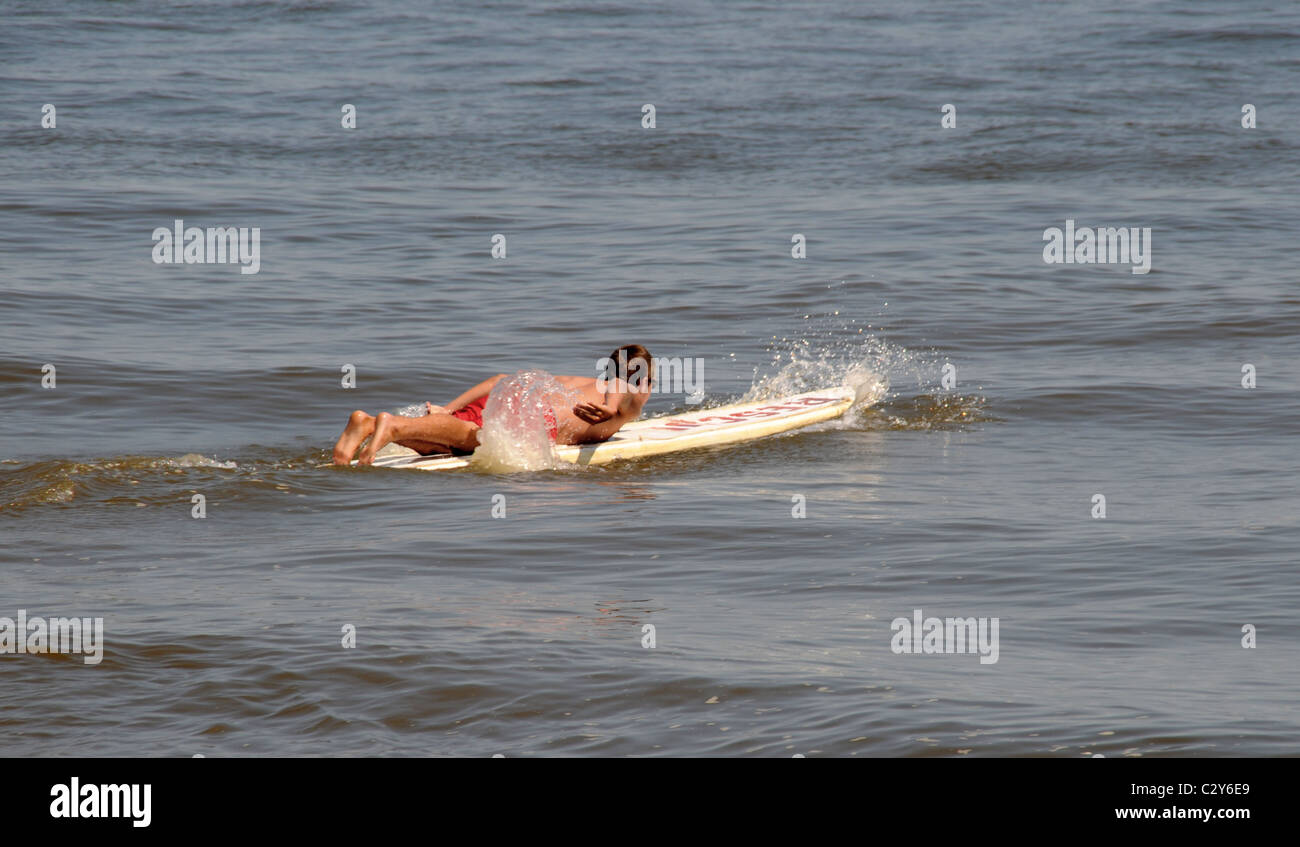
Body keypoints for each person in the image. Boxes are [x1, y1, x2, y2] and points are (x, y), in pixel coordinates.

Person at [332, 344, 654, 465]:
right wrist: (612, 411)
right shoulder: (628, 399)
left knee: (446, 445)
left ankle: (369, 424)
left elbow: (500, 378)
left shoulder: (578, 382)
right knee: (474, 437)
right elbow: (619, 386)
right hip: (532, 416)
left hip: (510, 394)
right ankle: (393, 424)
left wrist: (447, 407)